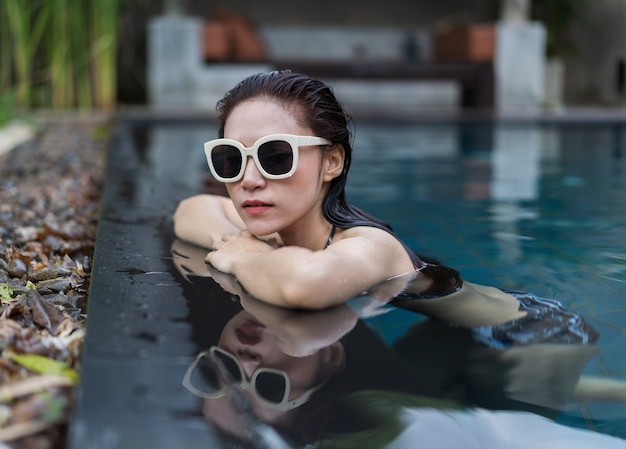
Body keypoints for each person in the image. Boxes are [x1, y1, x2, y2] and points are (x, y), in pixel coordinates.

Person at [172, 69, 597, 345]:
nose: (247, 179)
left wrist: (244, 254)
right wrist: (241, 245)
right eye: (230, 158)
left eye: (275, 156)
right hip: (459, 334)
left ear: (332, 162)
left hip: (539, 336)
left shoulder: (369, 245)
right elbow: (190, 211)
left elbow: (305, 286)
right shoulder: (274, 221)